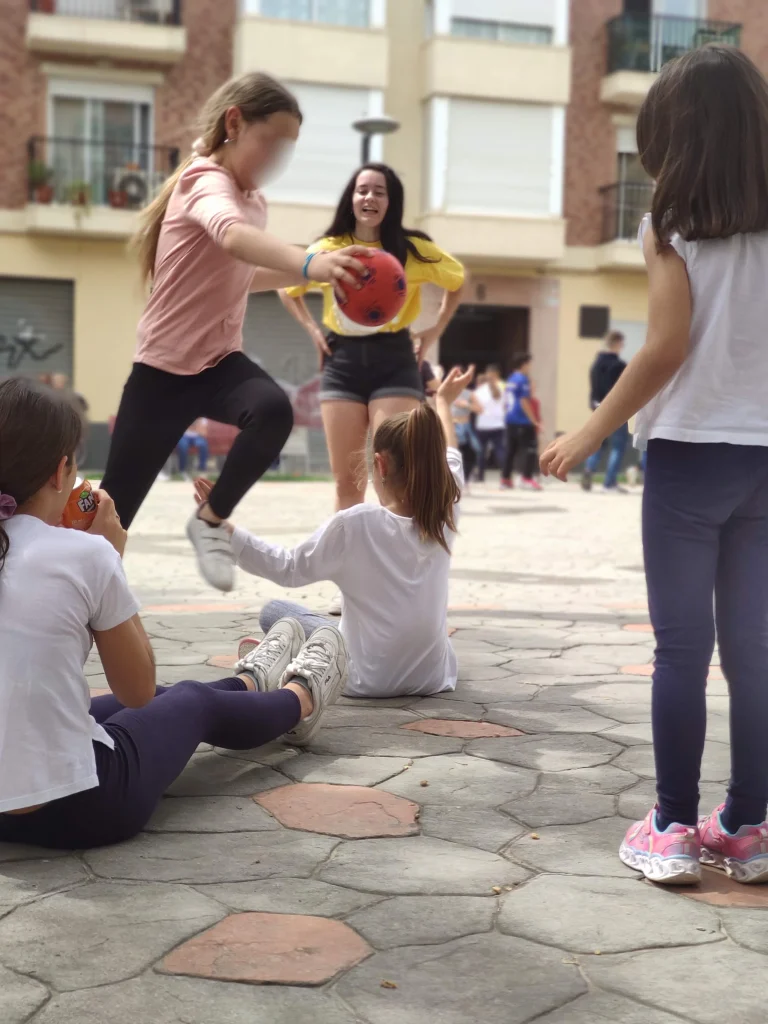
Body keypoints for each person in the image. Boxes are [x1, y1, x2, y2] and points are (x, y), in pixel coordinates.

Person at [541, 46, 768, 885]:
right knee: (755, 651)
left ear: (675, 138)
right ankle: (747, 828)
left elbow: (667, 347)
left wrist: (592, 430)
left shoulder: (670, 227)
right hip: (765, 460)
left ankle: (672, 825)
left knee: (682, 650)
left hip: (687, 458)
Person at [0, 378, 348, 850]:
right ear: (62, 472)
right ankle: (302, 696)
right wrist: (108, 561)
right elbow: (138, 690)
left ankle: (249, 685)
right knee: (186, 700)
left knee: (158, 699)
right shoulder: (84, 554)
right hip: (79, 807)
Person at [99, 72, 371, 593]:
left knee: (271, 411)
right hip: (161, 372)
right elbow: (233, 239)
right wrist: (311, 261)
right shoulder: (203, 180)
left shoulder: (255, 202)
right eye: (271, 144)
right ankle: (72, 604)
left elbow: (245, 271)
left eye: (286, 151)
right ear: (234, 123)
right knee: (112, 518)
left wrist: (318, 270)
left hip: (220, 364)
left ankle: (209, 521)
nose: (275, 162)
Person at [194, 366, 473, 699]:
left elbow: (288, 568)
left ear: (380, 465)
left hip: (365, 680)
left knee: (275, 612)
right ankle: (300, 651)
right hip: (433, 677)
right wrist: (443, 401)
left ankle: (296, 656)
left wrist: (224, 529)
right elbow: (452, 455)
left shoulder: (356, 524)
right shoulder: (447, 507)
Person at [278, 162, 466, 515]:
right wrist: (313, 331)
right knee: (347, 484)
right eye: (362, 190)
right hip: (342, 362)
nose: (369, 197)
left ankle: (392, 566)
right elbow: (288, 289)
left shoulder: (413, 250)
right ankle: (344, 566)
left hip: (395, 360)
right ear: (351, 199)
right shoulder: (329, 248)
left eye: (380, 192)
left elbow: (457, 282)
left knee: (394, 480)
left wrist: (434, 330)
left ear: (391, 202)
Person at [581, 331, 629, 492]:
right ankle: (609, 482)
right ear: (617, 343)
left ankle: (589, 469)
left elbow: (594, 388)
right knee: (618, 446)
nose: (623, 346)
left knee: (599, 443)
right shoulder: (619, 365)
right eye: (622, 343)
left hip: (597, 407)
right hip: (616, 410)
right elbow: (624, 389)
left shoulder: (596, 364)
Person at [502, 354, 542, 491]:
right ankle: (527, 478)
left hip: (510, 419)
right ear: (524, 364)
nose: (530, 367)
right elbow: (524, 401)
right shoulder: (523, 379)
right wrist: (534, 420)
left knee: (511, 450)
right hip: (522, 420)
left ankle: (505, 479)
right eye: (529, 364)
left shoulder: (511, 379)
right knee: (530, 449)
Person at [474, 364, 506, 484]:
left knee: (490, 451)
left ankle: (484, 475)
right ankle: (484, 475)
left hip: (490, 425)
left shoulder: (499, 387)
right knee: (490, 451)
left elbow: (496, 396)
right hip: (490, 425)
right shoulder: (483, 389)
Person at [451, 377, 482, 487]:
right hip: (452, 425)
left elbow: (480, 409)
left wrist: (466, 405)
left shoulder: (469, 394)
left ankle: (466, 479)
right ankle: (453, 480)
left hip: (465, 426)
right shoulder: (448, 392)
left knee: (472, 452)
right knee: (452, 453)